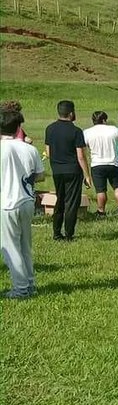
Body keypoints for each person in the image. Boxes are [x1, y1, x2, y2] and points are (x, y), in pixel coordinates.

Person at [1, 109, 44, 298]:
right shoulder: (29, 148)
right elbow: (40, 176)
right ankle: (30, 283)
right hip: (27, 200)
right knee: (25, 245)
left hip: (7, 203)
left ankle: (20, 288)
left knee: (10, 247)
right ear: (19, 127)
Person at [44, 100, 91, 241]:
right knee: (71, 202)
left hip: (57, 170)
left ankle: (57, 233)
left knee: (60, 200)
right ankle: (69, 234)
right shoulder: (76, 131)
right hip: (73, 170)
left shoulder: (50, 129)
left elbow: (48, 152)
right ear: (71, 113)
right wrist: (87, 175)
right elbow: (81, 156)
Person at [83, 111, 118, 218]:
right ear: (104, 120)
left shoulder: (87, 132)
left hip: (97, 164)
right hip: (113, 163)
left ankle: (101, 211)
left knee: (101, 190)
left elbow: (83, 148)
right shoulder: (113, 129)